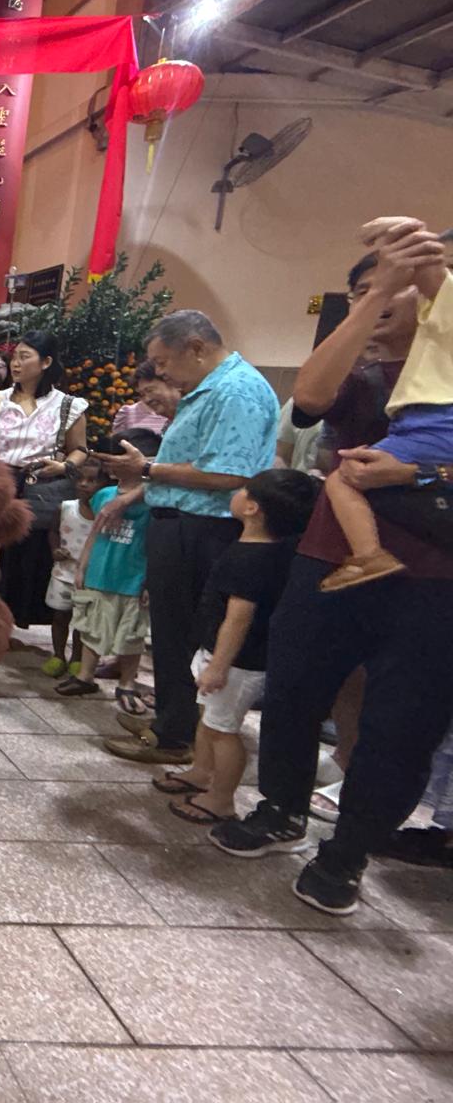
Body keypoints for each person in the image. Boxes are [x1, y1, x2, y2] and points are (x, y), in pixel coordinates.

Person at [209, 218, 453, 915]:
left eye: (409, 284)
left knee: (402, 723)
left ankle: (347, 853)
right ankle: (281, 809)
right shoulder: (366, 375)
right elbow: (311, 400)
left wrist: (424, 471)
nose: (392, 293)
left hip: (435, 573)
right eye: (370, 285)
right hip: (329, 556)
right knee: (293, 690)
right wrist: (377, 293)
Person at [94, 311, 278, 765]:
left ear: (196, 347)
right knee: (171, 634)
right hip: (181, 523)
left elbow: (229, 473)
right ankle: (171, 720)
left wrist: (147, 468)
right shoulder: (209, 388)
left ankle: (177, 737)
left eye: (163, 362)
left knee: (184, 636)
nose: (161, 373)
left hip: (205, 528)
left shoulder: (236, 391)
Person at [159, 469, 318, 825]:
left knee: (223, 730)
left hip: (236, 662)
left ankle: (221, 799)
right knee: (210, 718)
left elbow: (238, 619)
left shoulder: (251, 559)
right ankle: (201, 771)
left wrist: (218, 666)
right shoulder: (268, 550)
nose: (238, 493)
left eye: (245, 490)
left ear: (252, 508)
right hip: (224, 655)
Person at [314, 219, 452, 590]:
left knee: (345, 476)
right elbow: (310, 398)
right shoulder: (434, 325)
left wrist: (397, 230)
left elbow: (430, 269)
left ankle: (369, 554)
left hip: (433, 422)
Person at [0, 330, 91, 637]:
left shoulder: (67, 405)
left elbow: (80, 449)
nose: (15, 363)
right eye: (14, 357)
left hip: (38, 486)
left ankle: (12, 622)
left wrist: (64, 466)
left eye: (24, 357)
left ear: (46, 362)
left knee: (25, 557)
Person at [58, 428, 163, 709]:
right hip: (99, 574)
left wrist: (149, 580)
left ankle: (127, 682)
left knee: (131, 635)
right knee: (91, 628)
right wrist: (83, 565)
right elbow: (94, 532)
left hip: (132, 579)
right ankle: (85, 675)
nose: (109, 465)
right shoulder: (104, 495)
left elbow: (154, 543)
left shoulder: (153, 500)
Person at [42, 461, 103, 679]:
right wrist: (55, 550)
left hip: (89, 578)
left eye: (92, 480)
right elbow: (53, 531)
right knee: (60, 616)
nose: (84, 484)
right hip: (63, 573)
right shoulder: (66, 508)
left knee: (82, 622)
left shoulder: (105, 514)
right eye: (80, 479)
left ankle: (77, 658)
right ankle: (58, 655)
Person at [113, 359, 176, 434]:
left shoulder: (186, 414)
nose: (147, 399)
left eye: (150, 391)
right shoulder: (128, 414)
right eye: (142, 395)